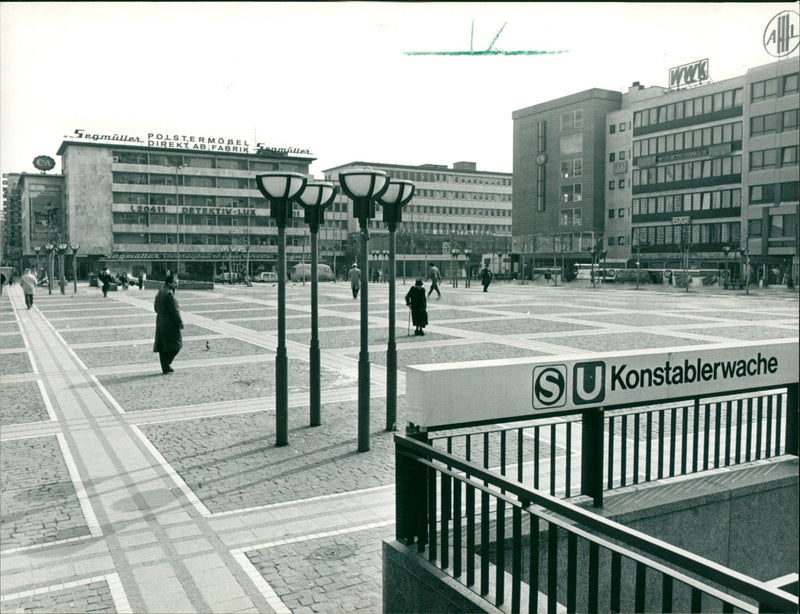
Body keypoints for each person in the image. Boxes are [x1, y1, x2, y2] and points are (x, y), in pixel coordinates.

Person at [153, 273, 183, 374]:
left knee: (163, 345)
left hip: (160, 321)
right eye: (175, 281)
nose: (177, 283)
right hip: (170, 323)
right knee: (177, 345)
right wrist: (179, 323)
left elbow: (155, 308)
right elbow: (175, 311)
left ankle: (165, 367)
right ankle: (167, 363)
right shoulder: (169, 294)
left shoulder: (161, 291)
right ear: (170, 283)